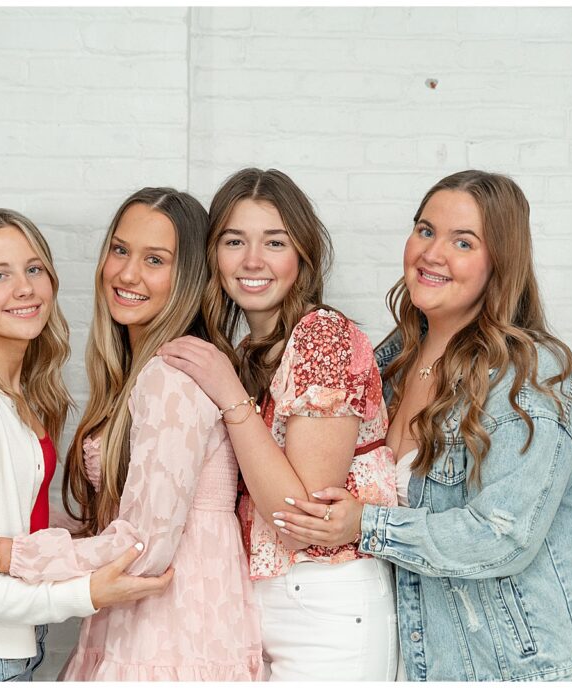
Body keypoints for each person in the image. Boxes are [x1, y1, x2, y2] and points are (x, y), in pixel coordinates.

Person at [276, 170, 572, 681]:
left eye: (463, 241)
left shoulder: (527, 377)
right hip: (431, 658)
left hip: (524, 665)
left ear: (499, 263)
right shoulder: (389, 363)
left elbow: (503, 535)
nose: (432, 253)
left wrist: (366, 525)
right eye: (425, 229)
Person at [0, 188, 263, 680]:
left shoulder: (171, 375)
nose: (128, 273)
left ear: (188, 278)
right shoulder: (135, 374)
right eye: (119, 250)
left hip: (173, 631)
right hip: (139, 621)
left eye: (154, 259)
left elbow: (141, 548)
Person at [0, 209, 170, 682]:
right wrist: (86, 594)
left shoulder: (11, 397)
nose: (26, 288)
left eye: (34, 268)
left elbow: (8, 521)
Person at [158, 168, 399, 680]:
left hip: (326, 603)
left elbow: (298, 518)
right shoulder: (250, 352)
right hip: (262, 602)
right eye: (234, 240)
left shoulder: (323, 337)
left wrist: (230, 396)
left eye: (275, 242)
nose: (252, 261)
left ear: (302, 255)